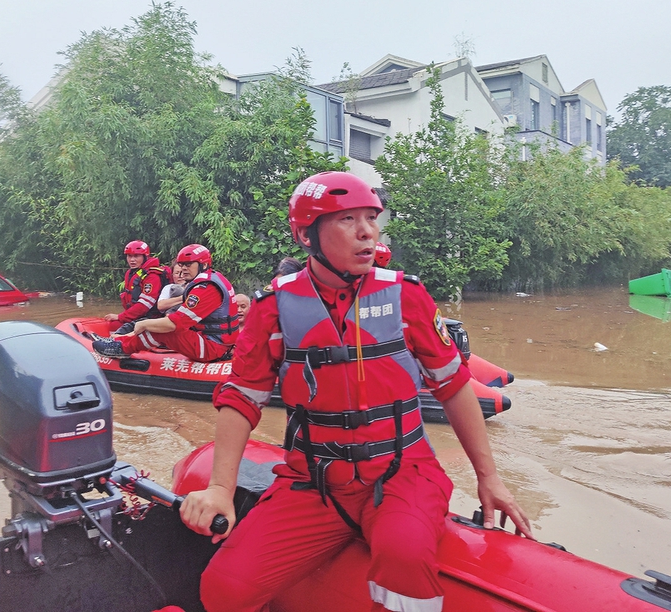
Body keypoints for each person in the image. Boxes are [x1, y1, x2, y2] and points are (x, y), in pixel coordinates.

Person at [180, 171, 533, 612]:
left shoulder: (408, 297)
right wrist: (219, 488)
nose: (367, 231)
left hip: (403, 473)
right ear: (307, 235)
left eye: (372, 218)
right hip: (313, 481)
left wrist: (489, 477)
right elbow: (241, 400)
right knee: (225, 587)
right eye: (348, 219)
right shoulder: (272, 309)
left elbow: (455, 386)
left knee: (404, 557)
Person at [93, 243, 240, 363]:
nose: (183, 269)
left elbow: (175, 324)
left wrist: (143, 324)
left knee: (159, 329)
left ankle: (121, 349)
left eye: (188, 264)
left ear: (203, 264)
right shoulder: (213, 278)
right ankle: (119, 341)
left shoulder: (206, 288)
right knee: (153, 324)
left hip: (213, 348)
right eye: (181, 265)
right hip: (216, 341)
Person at [104, 240, 170, 334]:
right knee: (112, 324)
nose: (132, 260)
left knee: (114, 326)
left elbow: (144, 305)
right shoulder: (131, 273)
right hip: (136, 316)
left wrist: (120, 317)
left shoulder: (152, 276)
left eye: (136, 256)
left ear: (145, 257)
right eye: (129, 256)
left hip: (150, 318)